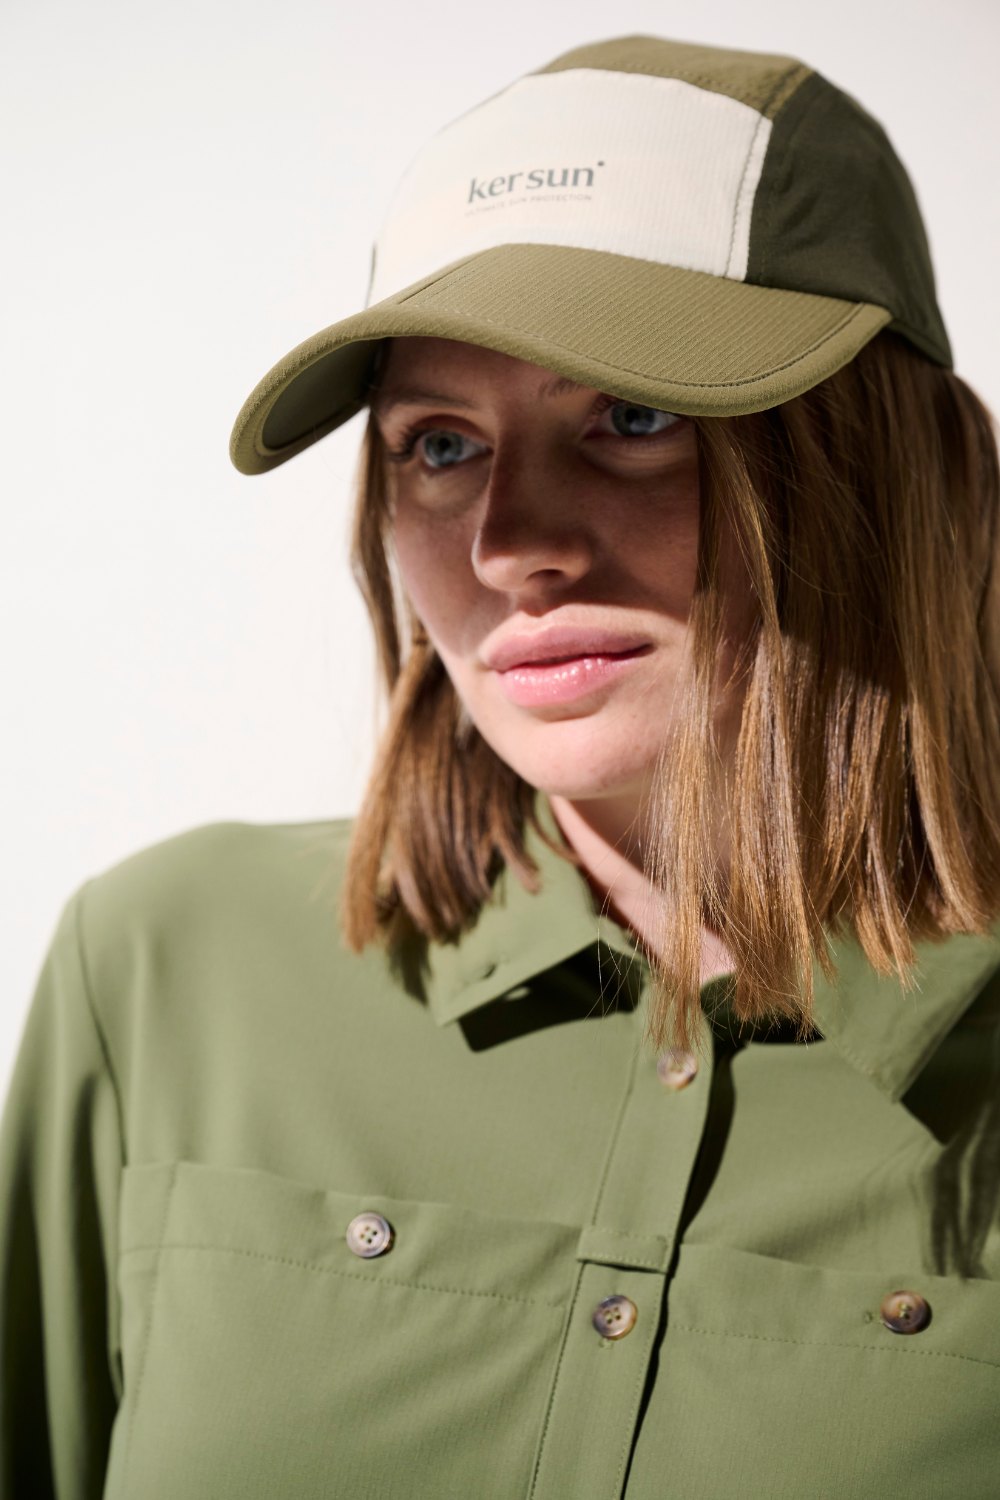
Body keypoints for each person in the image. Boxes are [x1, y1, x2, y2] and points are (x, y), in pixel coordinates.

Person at [2, 31, 1000, 1500]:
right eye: (440, 444)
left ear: (888, 466)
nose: (511, 543)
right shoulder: (163, 976)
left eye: (636, 417)